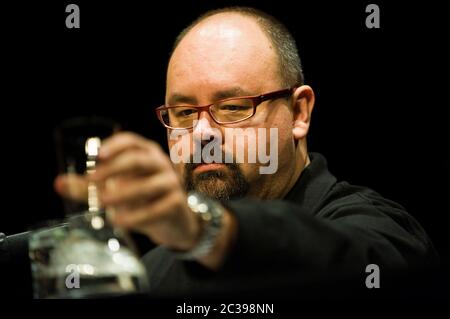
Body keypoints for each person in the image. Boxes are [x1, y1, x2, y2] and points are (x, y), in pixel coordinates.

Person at [0, 7, 438, 298]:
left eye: (232, 107)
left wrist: (201, 228)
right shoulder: (149, 272)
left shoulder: (379, 230)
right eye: (184, 112)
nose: (203, 134)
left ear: (299, 112)